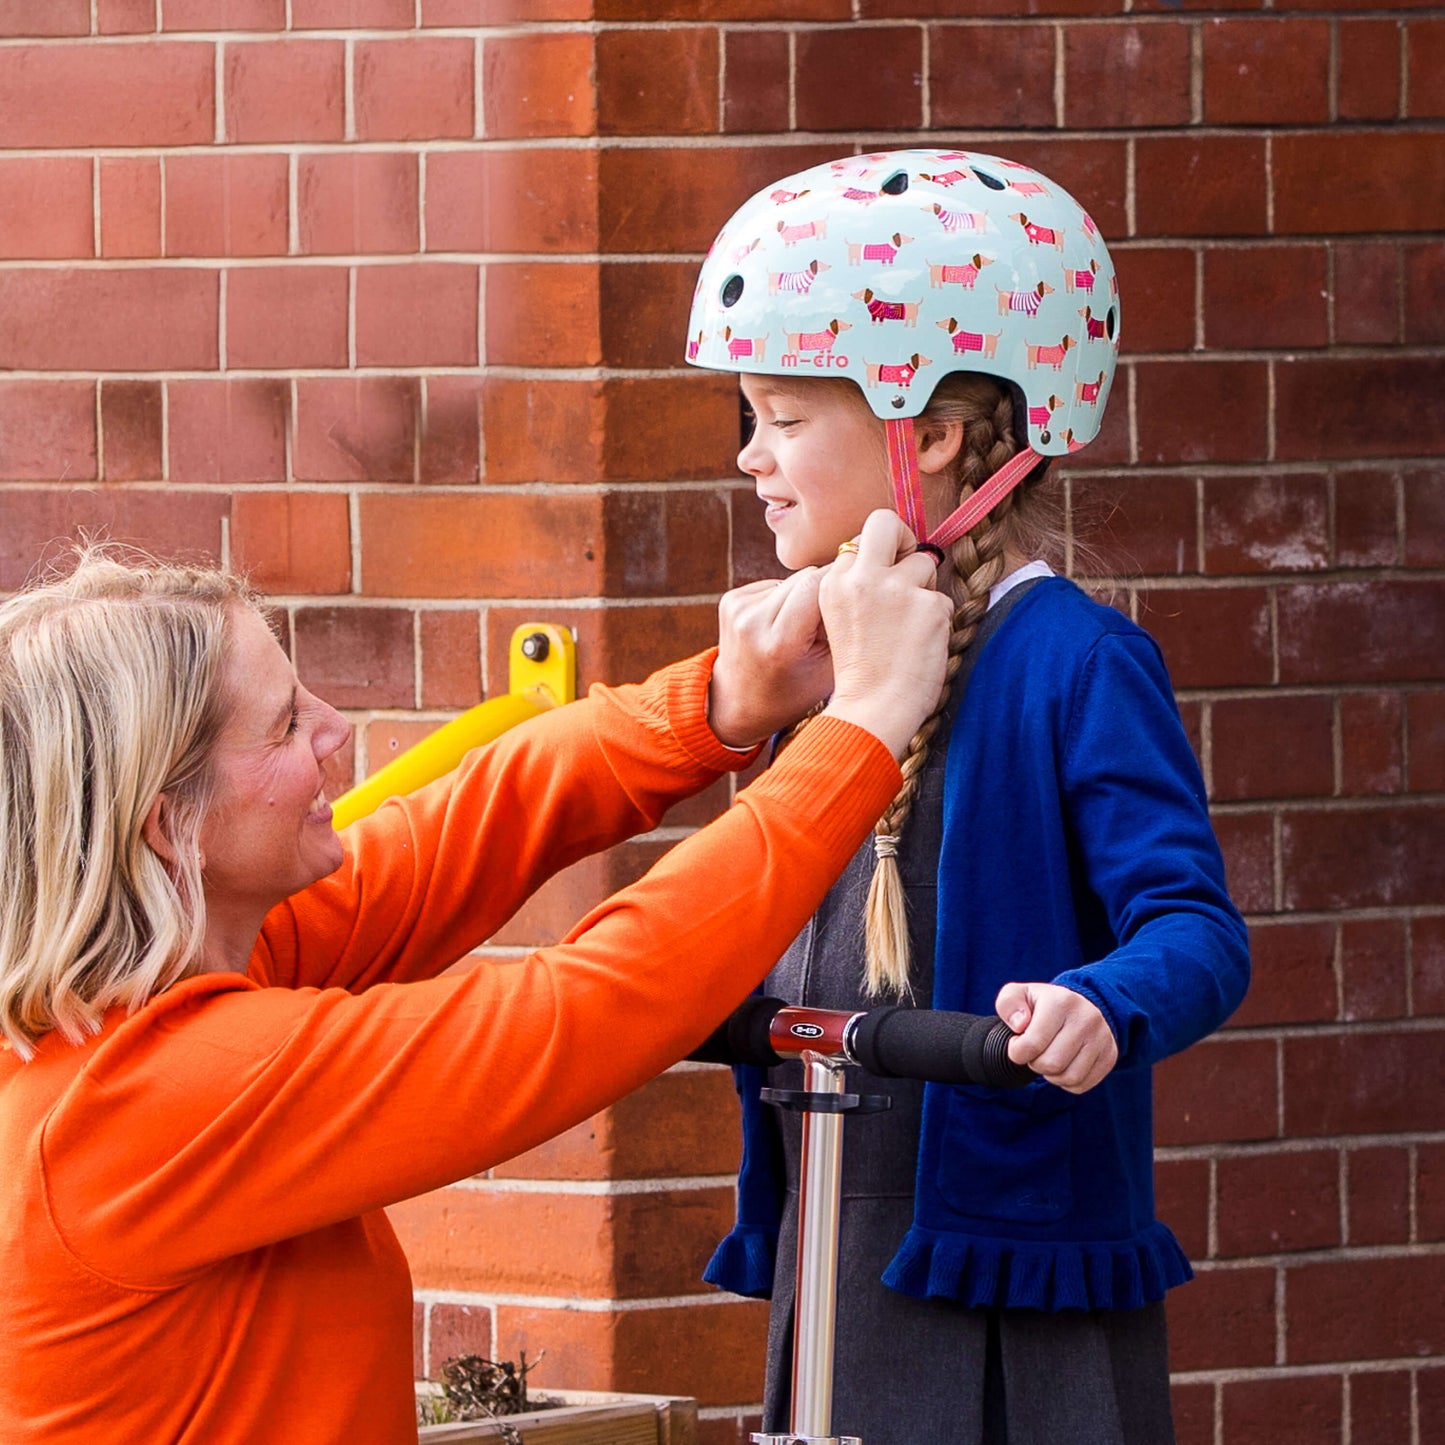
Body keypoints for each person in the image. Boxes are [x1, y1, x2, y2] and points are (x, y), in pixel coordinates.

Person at [0, 520, 952, 1445]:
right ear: (171, 825)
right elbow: (579, 1011)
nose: (335, 730)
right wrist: (862, 727)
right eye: (287, 723)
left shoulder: (145, 985)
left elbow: (452, 840)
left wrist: (719, 702)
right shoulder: (147, 1096)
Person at [685, 148, 1251, 1444]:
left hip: (1003, 1247)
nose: (750, 459)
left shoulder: (1073, 662)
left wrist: (1100, 1002)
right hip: (841, 1201)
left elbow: (1196, 928)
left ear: (929, 433)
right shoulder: (817, 659)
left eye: (781, 416)